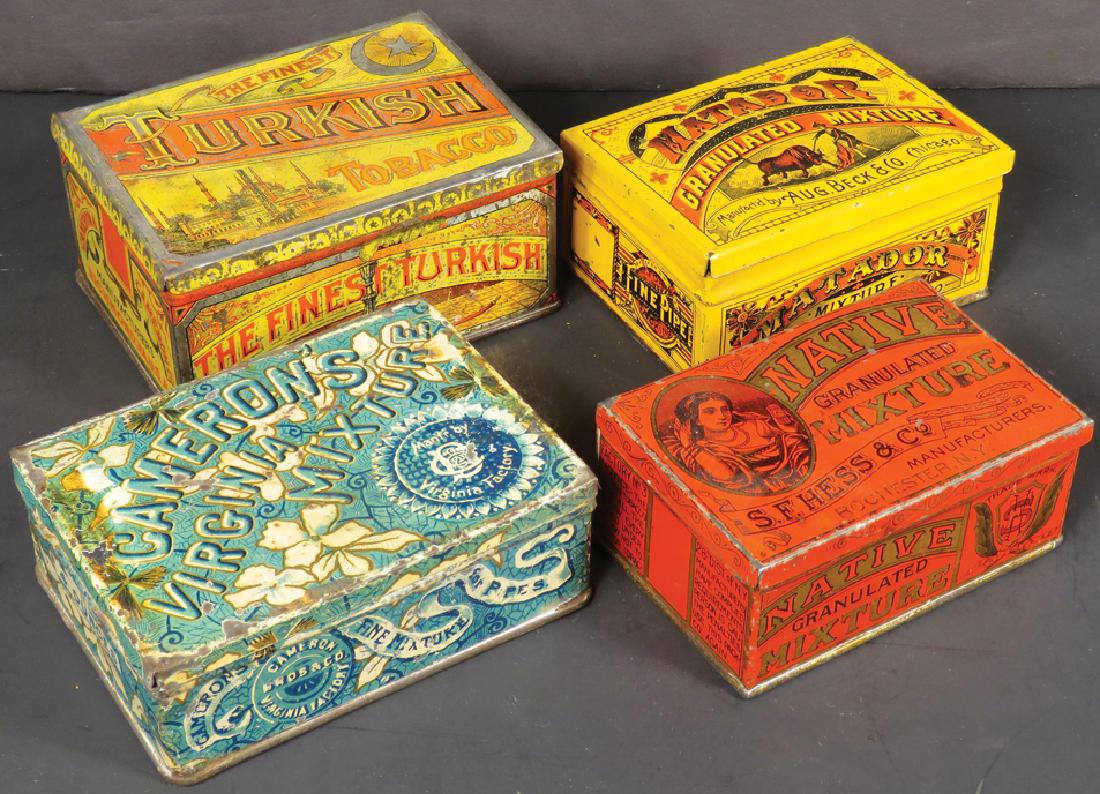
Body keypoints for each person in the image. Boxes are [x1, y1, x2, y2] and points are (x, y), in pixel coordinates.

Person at [662, 391, 810, 494]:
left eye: (724, 409)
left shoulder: (755, 426)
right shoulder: (705, 449)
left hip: (802, 479)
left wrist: (786, 427)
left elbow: (794, 437)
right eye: (710, 411)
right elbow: (727, 477)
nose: (722, 416)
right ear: (696, 420)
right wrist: (688, 446)